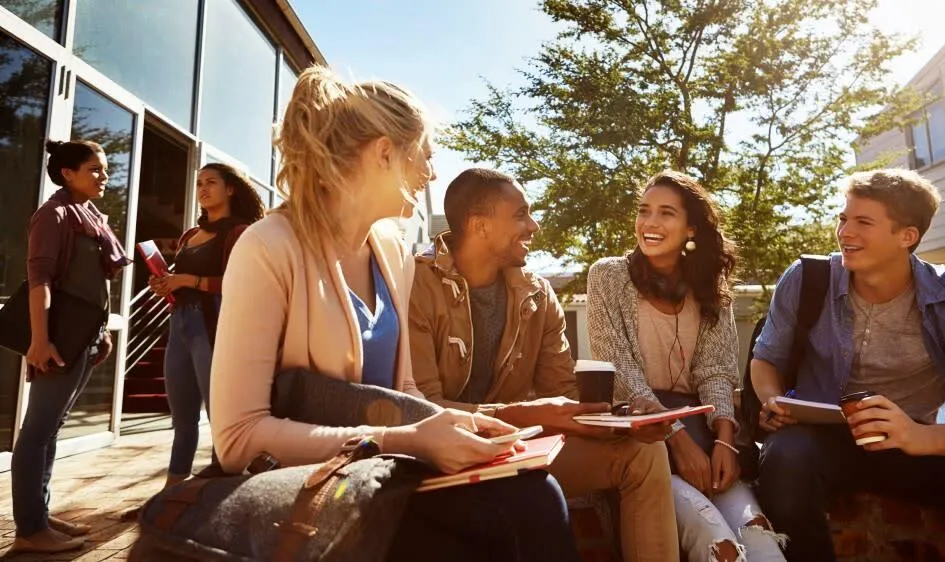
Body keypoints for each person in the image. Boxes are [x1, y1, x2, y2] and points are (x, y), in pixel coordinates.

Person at [210, 66, 581, 561]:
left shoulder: (392, 251)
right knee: (509, 518)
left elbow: (401, 393)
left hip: (384, 475)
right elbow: (237, 440)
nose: (430, 174)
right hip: (311, 495)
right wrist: (403, 438)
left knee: (534, 492)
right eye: (424, 156)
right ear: (384, 153)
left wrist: (461, 423)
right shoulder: (268, 248)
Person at [408, 167, 680, 562]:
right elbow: (421, 408)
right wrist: (520, 413)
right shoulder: (416, 284)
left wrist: (621, 417)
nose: (533, 225)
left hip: (514, 450)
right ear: (478, 225)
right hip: (438, 457)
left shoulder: (536, 293)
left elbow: (564, 396)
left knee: (642, 452)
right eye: (520, 214)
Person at [750, 169, 945, 562]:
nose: (845, 232)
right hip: (822, 442)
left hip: (914, 447)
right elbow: (766, 358)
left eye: (863, 222)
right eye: (842, 219)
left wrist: (919, 438)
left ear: (907, 236)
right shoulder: (807, 279)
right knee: (784, 457)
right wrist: (773, 400)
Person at [587, 170, 786, 562]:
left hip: (706, 438)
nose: (650, 223)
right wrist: (676, 438)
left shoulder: (711, 289)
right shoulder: (608, 276)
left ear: (691, 229)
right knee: (720, 545)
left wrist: (725, 443)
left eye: (665, 213)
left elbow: (717, 372)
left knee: (761, 540)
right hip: (645, 445)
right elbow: (620, 371)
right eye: (644, 211)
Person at [10, 140, 131, 554]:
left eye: (105, 169)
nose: (104, 176)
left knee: (52, 427)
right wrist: (39, 340)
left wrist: (103, 331)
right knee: (36, 432)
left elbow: (92, 283)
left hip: (85, 337)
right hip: (58, 339)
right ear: (67, 173)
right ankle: (29, 527)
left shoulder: (89, 216)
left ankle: (38, 513)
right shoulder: (54, 215)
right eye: (95, 169)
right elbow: (41, 280)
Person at [147, 163, 265, 488]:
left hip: (214, 327)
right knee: (182, 418)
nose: (203, 188)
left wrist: (187, 279)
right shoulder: (188, 235)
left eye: (211, 182)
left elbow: (240, 283)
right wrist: (166, 283)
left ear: (231, 189)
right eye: (199, 183)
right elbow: (179, 281)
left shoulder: (240, 232)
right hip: (179, 326)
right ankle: (171, 491)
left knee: (220, 413)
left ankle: (222, 488)